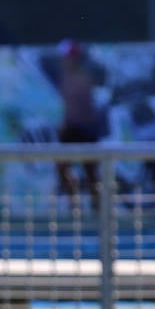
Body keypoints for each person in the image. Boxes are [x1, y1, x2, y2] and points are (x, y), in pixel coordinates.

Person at [54, 40, 102, 209]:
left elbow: (83, 109)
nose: (63, 61)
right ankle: (74, 204)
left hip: (84, 129)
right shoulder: (65, 78)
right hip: (71, 128)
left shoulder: (83, 78)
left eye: (66, 58)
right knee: (62, 167)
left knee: (91, 172)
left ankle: (97, 209)